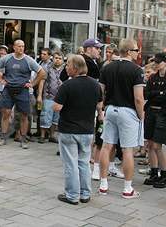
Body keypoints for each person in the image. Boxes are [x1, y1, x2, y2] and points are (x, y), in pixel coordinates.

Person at [97, 38, 144, 199]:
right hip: (128, 111)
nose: (138, 53)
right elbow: (138, 98)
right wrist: (141, 115)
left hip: (110, 109)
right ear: (129, 51)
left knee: (106, 146)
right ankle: (127, 188)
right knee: (127, 149)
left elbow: (100, 92)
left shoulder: (107, 68)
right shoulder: (137, 70)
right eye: (136, 50)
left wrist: (101, 110)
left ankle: (103, 184)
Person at [53, 55, 102, 205]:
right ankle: (85, 193)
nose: (66, 67)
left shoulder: (67, 85)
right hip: (87, 130)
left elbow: (57, 107)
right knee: (84, 162)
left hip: (69, 129)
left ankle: (72, 195)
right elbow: (100, 106)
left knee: (71, 164)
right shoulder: (95, 85)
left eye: (68, 65)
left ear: (75, 68)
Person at [0, 39, 46, 149]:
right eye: (19, 46)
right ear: (14, 48)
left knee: (24, 115)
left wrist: (33, 83)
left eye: (23, 46)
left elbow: (42, 73)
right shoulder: (7, 58)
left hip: (22, 90)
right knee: (6, 113)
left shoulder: (28, 60)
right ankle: (3, 138)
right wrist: (0, 80)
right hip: (8, 89)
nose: (21, 48)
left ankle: (23, 139)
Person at [142, 53, 166, 189]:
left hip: (163, 113)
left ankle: (164, 175)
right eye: (155, 62)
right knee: (150, 145)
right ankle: (154, 172)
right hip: (151, 111)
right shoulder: (153, 77)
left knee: (157, 146)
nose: (156, 64)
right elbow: (147, 94)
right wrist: (159, 93)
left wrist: (156, 94)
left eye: (159, 62)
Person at [40, 50, 65, 143]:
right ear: (52, 58)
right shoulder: (47, 68)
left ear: (62, 60)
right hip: (48, 96)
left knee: (56, 118)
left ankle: (52, 135)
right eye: (56, 58)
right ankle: (42, 136)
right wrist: (39, 95)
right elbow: (42, 81)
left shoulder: (65, 69)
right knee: (45, 116)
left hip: (60, 98)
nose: (57, 60)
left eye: (59, 58)